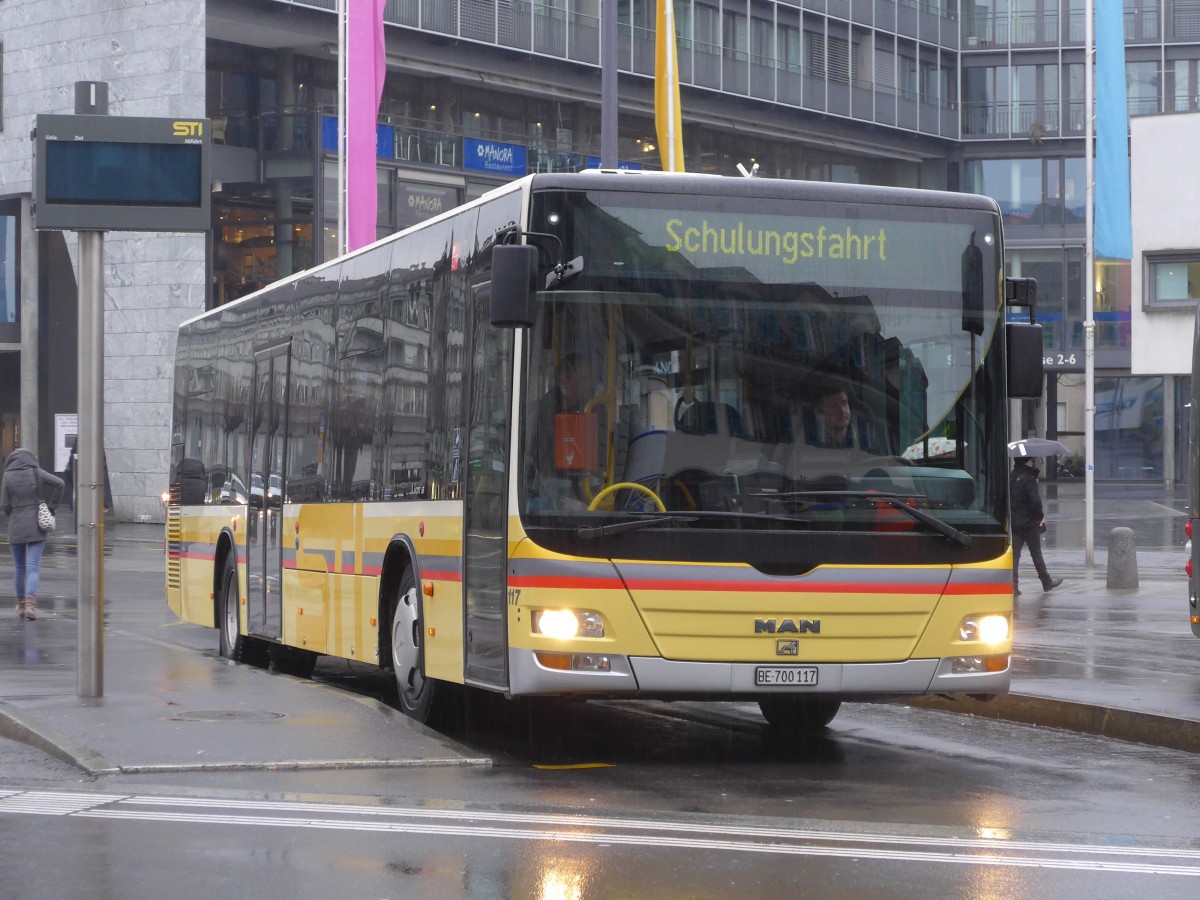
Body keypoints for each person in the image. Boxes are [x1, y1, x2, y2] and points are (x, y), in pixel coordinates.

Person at [1, 448, 65, 620]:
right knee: (33, 566)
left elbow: (4, 504)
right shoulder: (36, 472)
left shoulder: (7, 476)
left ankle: (21, 604)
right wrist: (52, 507)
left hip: (16, 525)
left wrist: (13, 514)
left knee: (19, 568)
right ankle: (30, 604)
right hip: (36, 524)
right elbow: (59, 483)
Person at [1010, 455, 1063, 595]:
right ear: (1026, 461)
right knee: (1036, 554)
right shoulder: (1028, 479)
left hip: (1014, 522)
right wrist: (1039, 517)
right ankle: (1046, 582)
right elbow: (1035, 501)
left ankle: (1013, 586)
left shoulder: (1011, 476)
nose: (1033, 462)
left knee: (1014, 555)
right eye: (1031, 460)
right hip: (1029, 522)